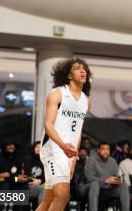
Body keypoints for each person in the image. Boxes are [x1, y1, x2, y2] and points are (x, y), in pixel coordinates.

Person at [36, 58, 92, 211]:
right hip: (53, 148)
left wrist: (73, 159)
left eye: (84, 69)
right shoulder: (57, 93)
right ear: (68, 75)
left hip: (67, 153)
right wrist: (62, 146)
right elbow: (48, 125)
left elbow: (78, 132)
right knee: (63, 195)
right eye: (77, 68)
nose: (82, 71)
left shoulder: (86, 101)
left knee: (49, 200)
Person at [81, 142, 129, 211]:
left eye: (107, 149)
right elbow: (89, 178)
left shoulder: (113, 161)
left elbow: (115, 177)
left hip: (107, 189)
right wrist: (105, 181)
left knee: (123, 186)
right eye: (103, 149)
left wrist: (117, 181)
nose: (105, 151)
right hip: (90, 188)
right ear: (98, 150)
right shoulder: (91, 160)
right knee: (94, 184)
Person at [27, 141, 46, 206]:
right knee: (43, 189)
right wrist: (31, 180)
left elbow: (46, 177)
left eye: (40, 147)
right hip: (28, 185)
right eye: (36, 147)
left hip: (40, 185)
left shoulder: (44, 161)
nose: (38, 149)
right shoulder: (28, 160)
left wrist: (40, 181)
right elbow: (23, 174)